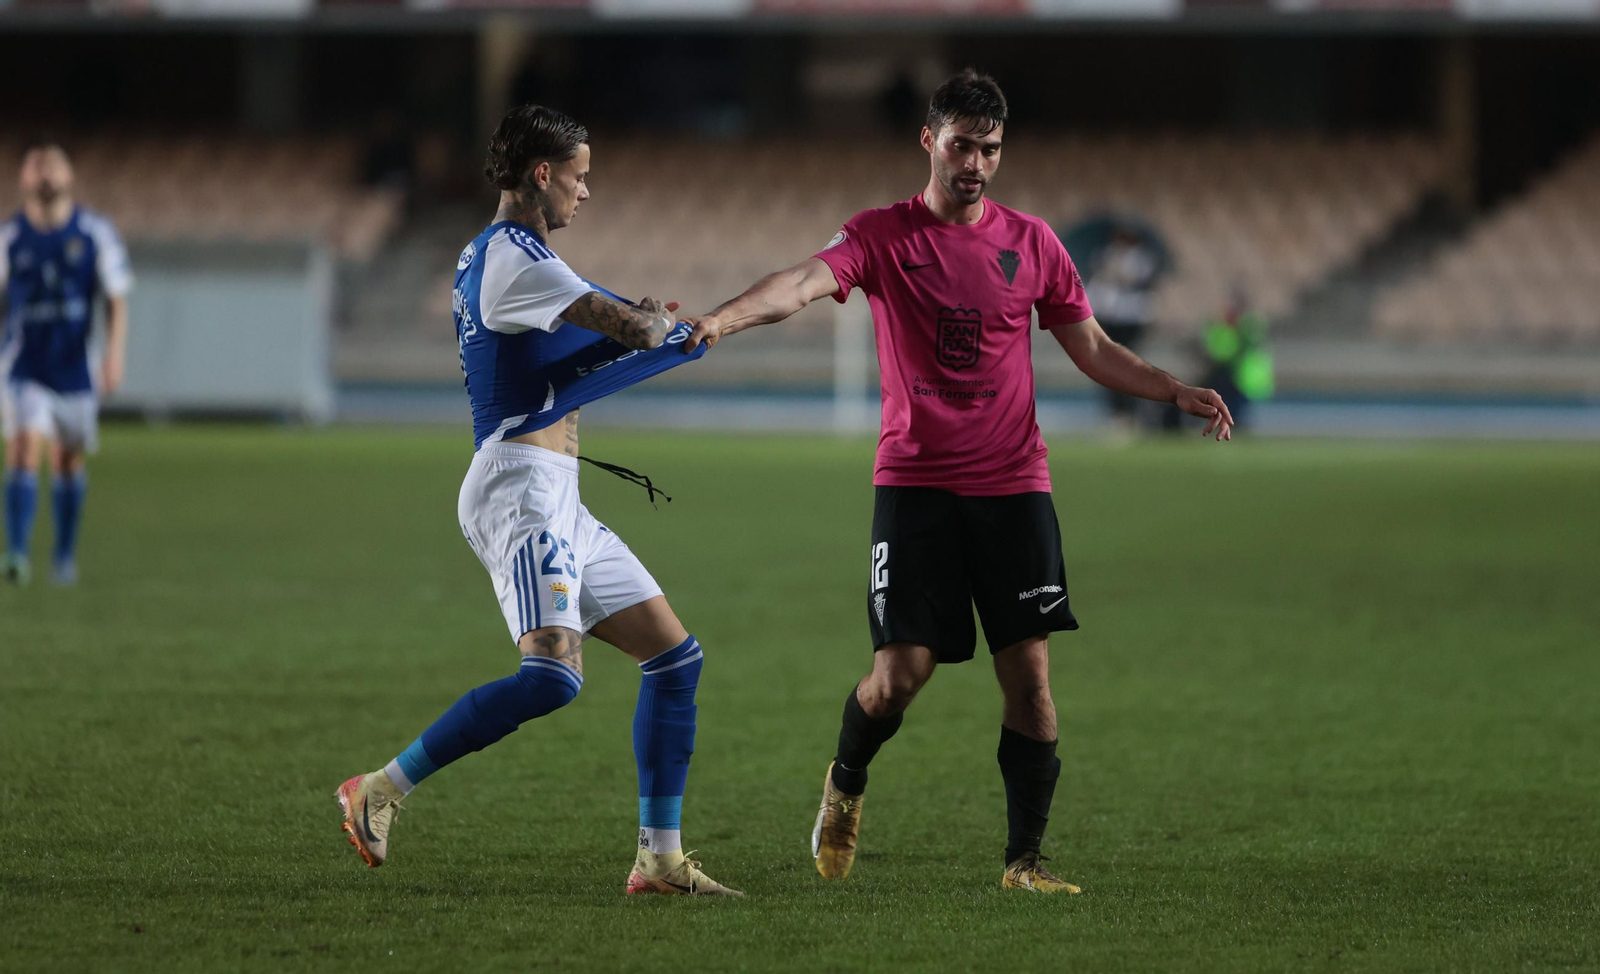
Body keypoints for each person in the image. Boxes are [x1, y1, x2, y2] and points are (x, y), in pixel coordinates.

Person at [681, 70, 1232, 894]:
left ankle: (1025, 863)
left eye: (991, 149)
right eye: (963, 146)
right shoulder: (881, 235)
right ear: (929, 142)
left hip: (1015, 485)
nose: (976, 163)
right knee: (899, 677)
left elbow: (1090, 347)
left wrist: (1171, 389)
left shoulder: (1034, 243)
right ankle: (845, 783)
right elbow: (798, 283)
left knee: (1032, 682)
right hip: (917, 487)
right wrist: (720, 320)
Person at [335, 105, 740, 897]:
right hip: (520, 492)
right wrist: (659, 324)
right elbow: (630, 329)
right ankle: (378, 788)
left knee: (674, 659)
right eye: (580, 177)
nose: (586, 192)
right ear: (543, 173)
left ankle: (659, 860)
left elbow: (573, 349)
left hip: (557, 497)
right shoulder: (514, 258)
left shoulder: (501, 256)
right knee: (552, 677)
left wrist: (642, 325)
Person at [2, 144, 131, 587]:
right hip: (23, 364)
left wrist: (114, 354)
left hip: (75, 366)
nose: (45, 174)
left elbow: (116, 298)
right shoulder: (9, 237)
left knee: (67, 460)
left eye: (53, 165)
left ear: (70, 174)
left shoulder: (94, 232)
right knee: (23, 448)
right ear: (23, 178)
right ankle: (17, 552)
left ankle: (63, 555)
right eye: (36, 166)